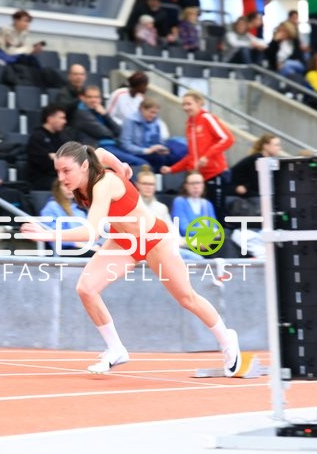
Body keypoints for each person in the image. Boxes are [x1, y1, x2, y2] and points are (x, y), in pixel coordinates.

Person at [21, 142, 240, 375]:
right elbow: (102, 152)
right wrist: (122, 165)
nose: (62, 177)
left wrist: (47, 233)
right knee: (86, 288)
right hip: (123, 241)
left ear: (84, 166)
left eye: (66, 171)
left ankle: (227, 340)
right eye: (58, 172)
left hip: (154, 240)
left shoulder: (103, 184)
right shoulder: (88, 167)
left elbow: (91, 232)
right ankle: (116, 349)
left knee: (187, 299)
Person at [160, 90, 234, 220]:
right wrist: (172, 169)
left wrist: (207, 156)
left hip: (215, 174)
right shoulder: (189, 125)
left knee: (217, 214)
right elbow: (192, 156)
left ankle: (219, 240)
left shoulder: (207, 118)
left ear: (199, 103)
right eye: (183, 105)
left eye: (189, 104)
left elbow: (227, 139)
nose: (185, 108)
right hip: (200, 178)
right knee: (203, 216)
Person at [135, 165, 202, 261]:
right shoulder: (134, 206)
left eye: (151, 184)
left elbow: (173, 232)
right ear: (137, 185)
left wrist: (190, 241)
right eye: (145, 184)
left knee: (198, 259)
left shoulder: (161, 208)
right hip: (144, 250)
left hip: (165, 248)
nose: (148, 187)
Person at [120, 97, 186, 171]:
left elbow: (160, 141)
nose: (154, 115)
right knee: (159, 160)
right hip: (137, 152)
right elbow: (126, 145)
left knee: (174, 157)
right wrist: (146, 150)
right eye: (152, 112)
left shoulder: (156, 121)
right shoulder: (130, 120)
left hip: (153, 152)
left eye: (156, 113)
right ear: (142, 109)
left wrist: (161, 148)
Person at [40, 179, 98, 257]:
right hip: (69, 249)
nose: (70, 189)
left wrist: (97, 245)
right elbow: (53, 235)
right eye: (66, 185)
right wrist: (81, 245)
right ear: (58, 188)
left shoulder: (80, 209)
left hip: (88, 247)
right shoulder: (51, 207)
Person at [26, 104, 67, 190]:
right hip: (41, 179)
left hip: (58, 176)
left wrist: (54, 156)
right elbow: (43, 163)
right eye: (61, 118)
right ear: (50, 118)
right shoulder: (37, 137)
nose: (64, 121)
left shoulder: (60, 137)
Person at [230, 133, 281, 200]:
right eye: (276, 145)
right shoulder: (256, 160)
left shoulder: (269, 160)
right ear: (266, 146)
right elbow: (256, 182)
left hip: (253, 193)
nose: (279, 148)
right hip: (245, 194)